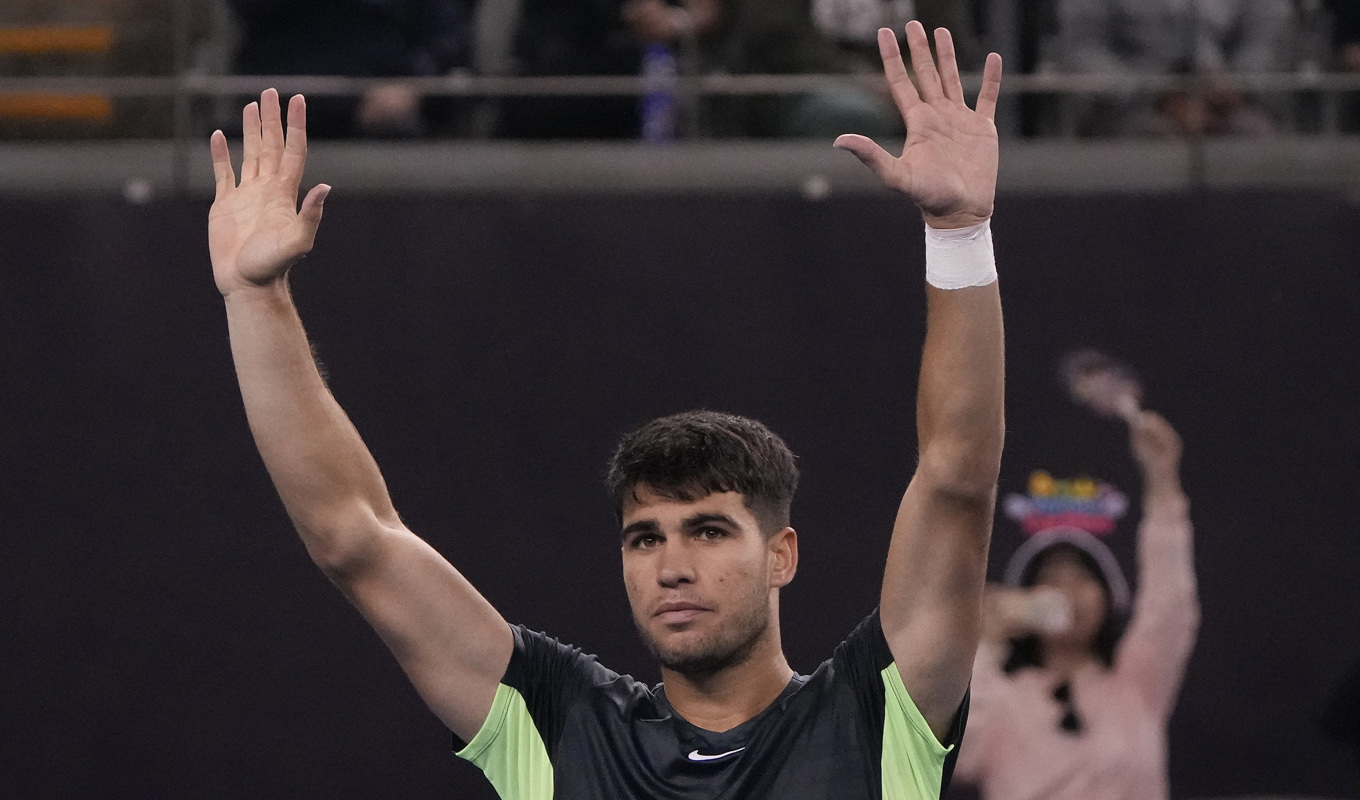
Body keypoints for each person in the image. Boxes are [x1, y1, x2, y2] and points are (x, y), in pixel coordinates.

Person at [206, 21, 1004, 798]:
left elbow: (957, 475)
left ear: (782, 556)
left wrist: (959, 232)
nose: (672, 567)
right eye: (644, 538)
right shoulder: (556, 726)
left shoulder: (874, 714)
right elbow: (353, 536)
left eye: (709, 530)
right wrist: (254, 299)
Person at [951, 412, 1199, 800]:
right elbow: (956, 756)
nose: (1068, 593)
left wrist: (1162, 482)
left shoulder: (1136, 684)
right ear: (1026, 595)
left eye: (1083, 579)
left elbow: (1170, 606)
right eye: (1052, 580)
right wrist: (985, 642)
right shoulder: (1002, 696)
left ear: (1107, 597)